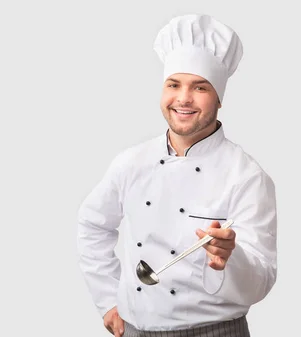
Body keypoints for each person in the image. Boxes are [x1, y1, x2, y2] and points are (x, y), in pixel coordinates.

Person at [76, 14, 278, 337]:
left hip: (216, 332)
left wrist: (230, 258)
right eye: (174, 85)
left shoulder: (248, 176)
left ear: (219, 99)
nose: (183, 98)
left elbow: (262, 278)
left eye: (199, 87)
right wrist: (107, 301)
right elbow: (91, 225)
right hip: (136, 330)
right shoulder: (131, 163)